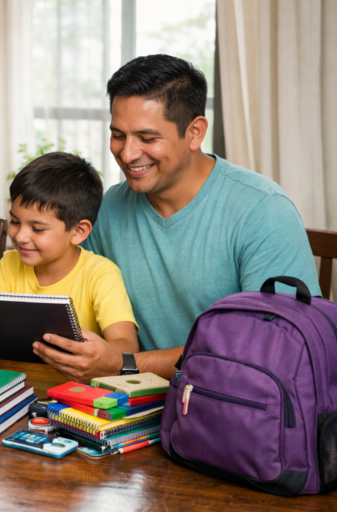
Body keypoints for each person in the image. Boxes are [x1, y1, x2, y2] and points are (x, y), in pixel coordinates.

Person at [33, 54, 320, 381]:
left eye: (147, 138)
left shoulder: (263, 210)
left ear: (195, 132)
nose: (127, 154)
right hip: (125, 402)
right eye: (118, 135)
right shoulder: (108, 207)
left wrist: (125, 364)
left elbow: (275, 347)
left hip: (229, 408)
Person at [0, 152, 139, 358]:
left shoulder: (101, 274)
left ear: (78, 231)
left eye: (37, 229)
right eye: (15, 221)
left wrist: (95, 352)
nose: (20, 236)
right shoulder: (9, 263)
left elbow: (127, 347)